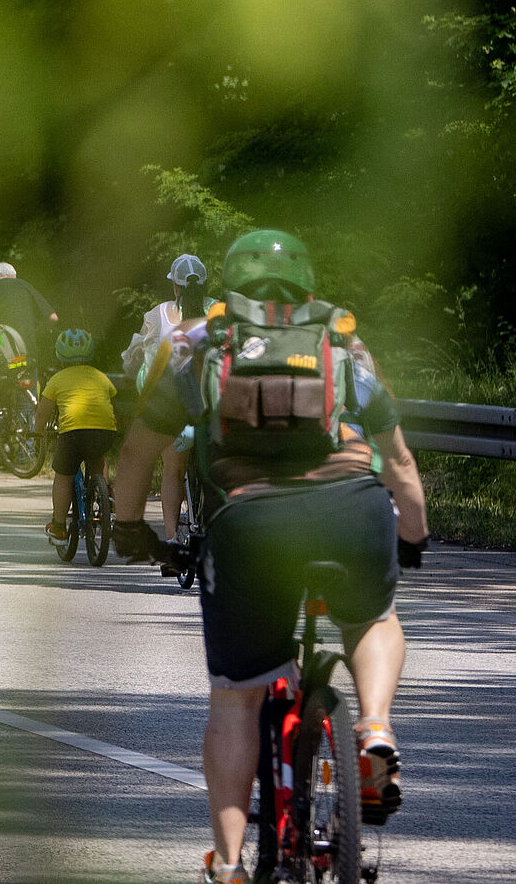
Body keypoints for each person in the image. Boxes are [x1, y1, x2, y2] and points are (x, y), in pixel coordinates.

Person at [108, 231, 429, 884]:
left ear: (231, 284)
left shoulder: (201, 343)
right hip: (351, 509)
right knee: (373, 617)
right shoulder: (341, 341)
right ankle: (372, 730)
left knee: (235, 699)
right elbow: (398, 461)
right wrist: (412, 537)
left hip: (251, 523)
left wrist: (131, 531)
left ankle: (227, 865)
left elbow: (140, 451)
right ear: (306, 282)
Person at [124, 254, 209, 540]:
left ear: (175, 286)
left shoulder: (156, 315)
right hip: (212, 405)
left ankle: (173, 539)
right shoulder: (220, 312)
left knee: (174, 471)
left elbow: (136, 356)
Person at [35, 329, 118, 539]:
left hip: (73, 433)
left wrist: (38, 431)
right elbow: (111, 400)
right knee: (98, 459)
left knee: (64, 477)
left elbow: (43, 411)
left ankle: (59, 525)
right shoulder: (101, 377)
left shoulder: (57, 379)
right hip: (104, 430)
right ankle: (104, 497)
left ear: (59, 355)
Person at [0, 260, 58, 367]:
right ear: (14, 275)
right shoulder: (24, 286)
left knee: (0, 380)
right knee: (28, 381)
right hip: (25, 356)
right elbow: (53, 318)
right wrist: (36, 334)